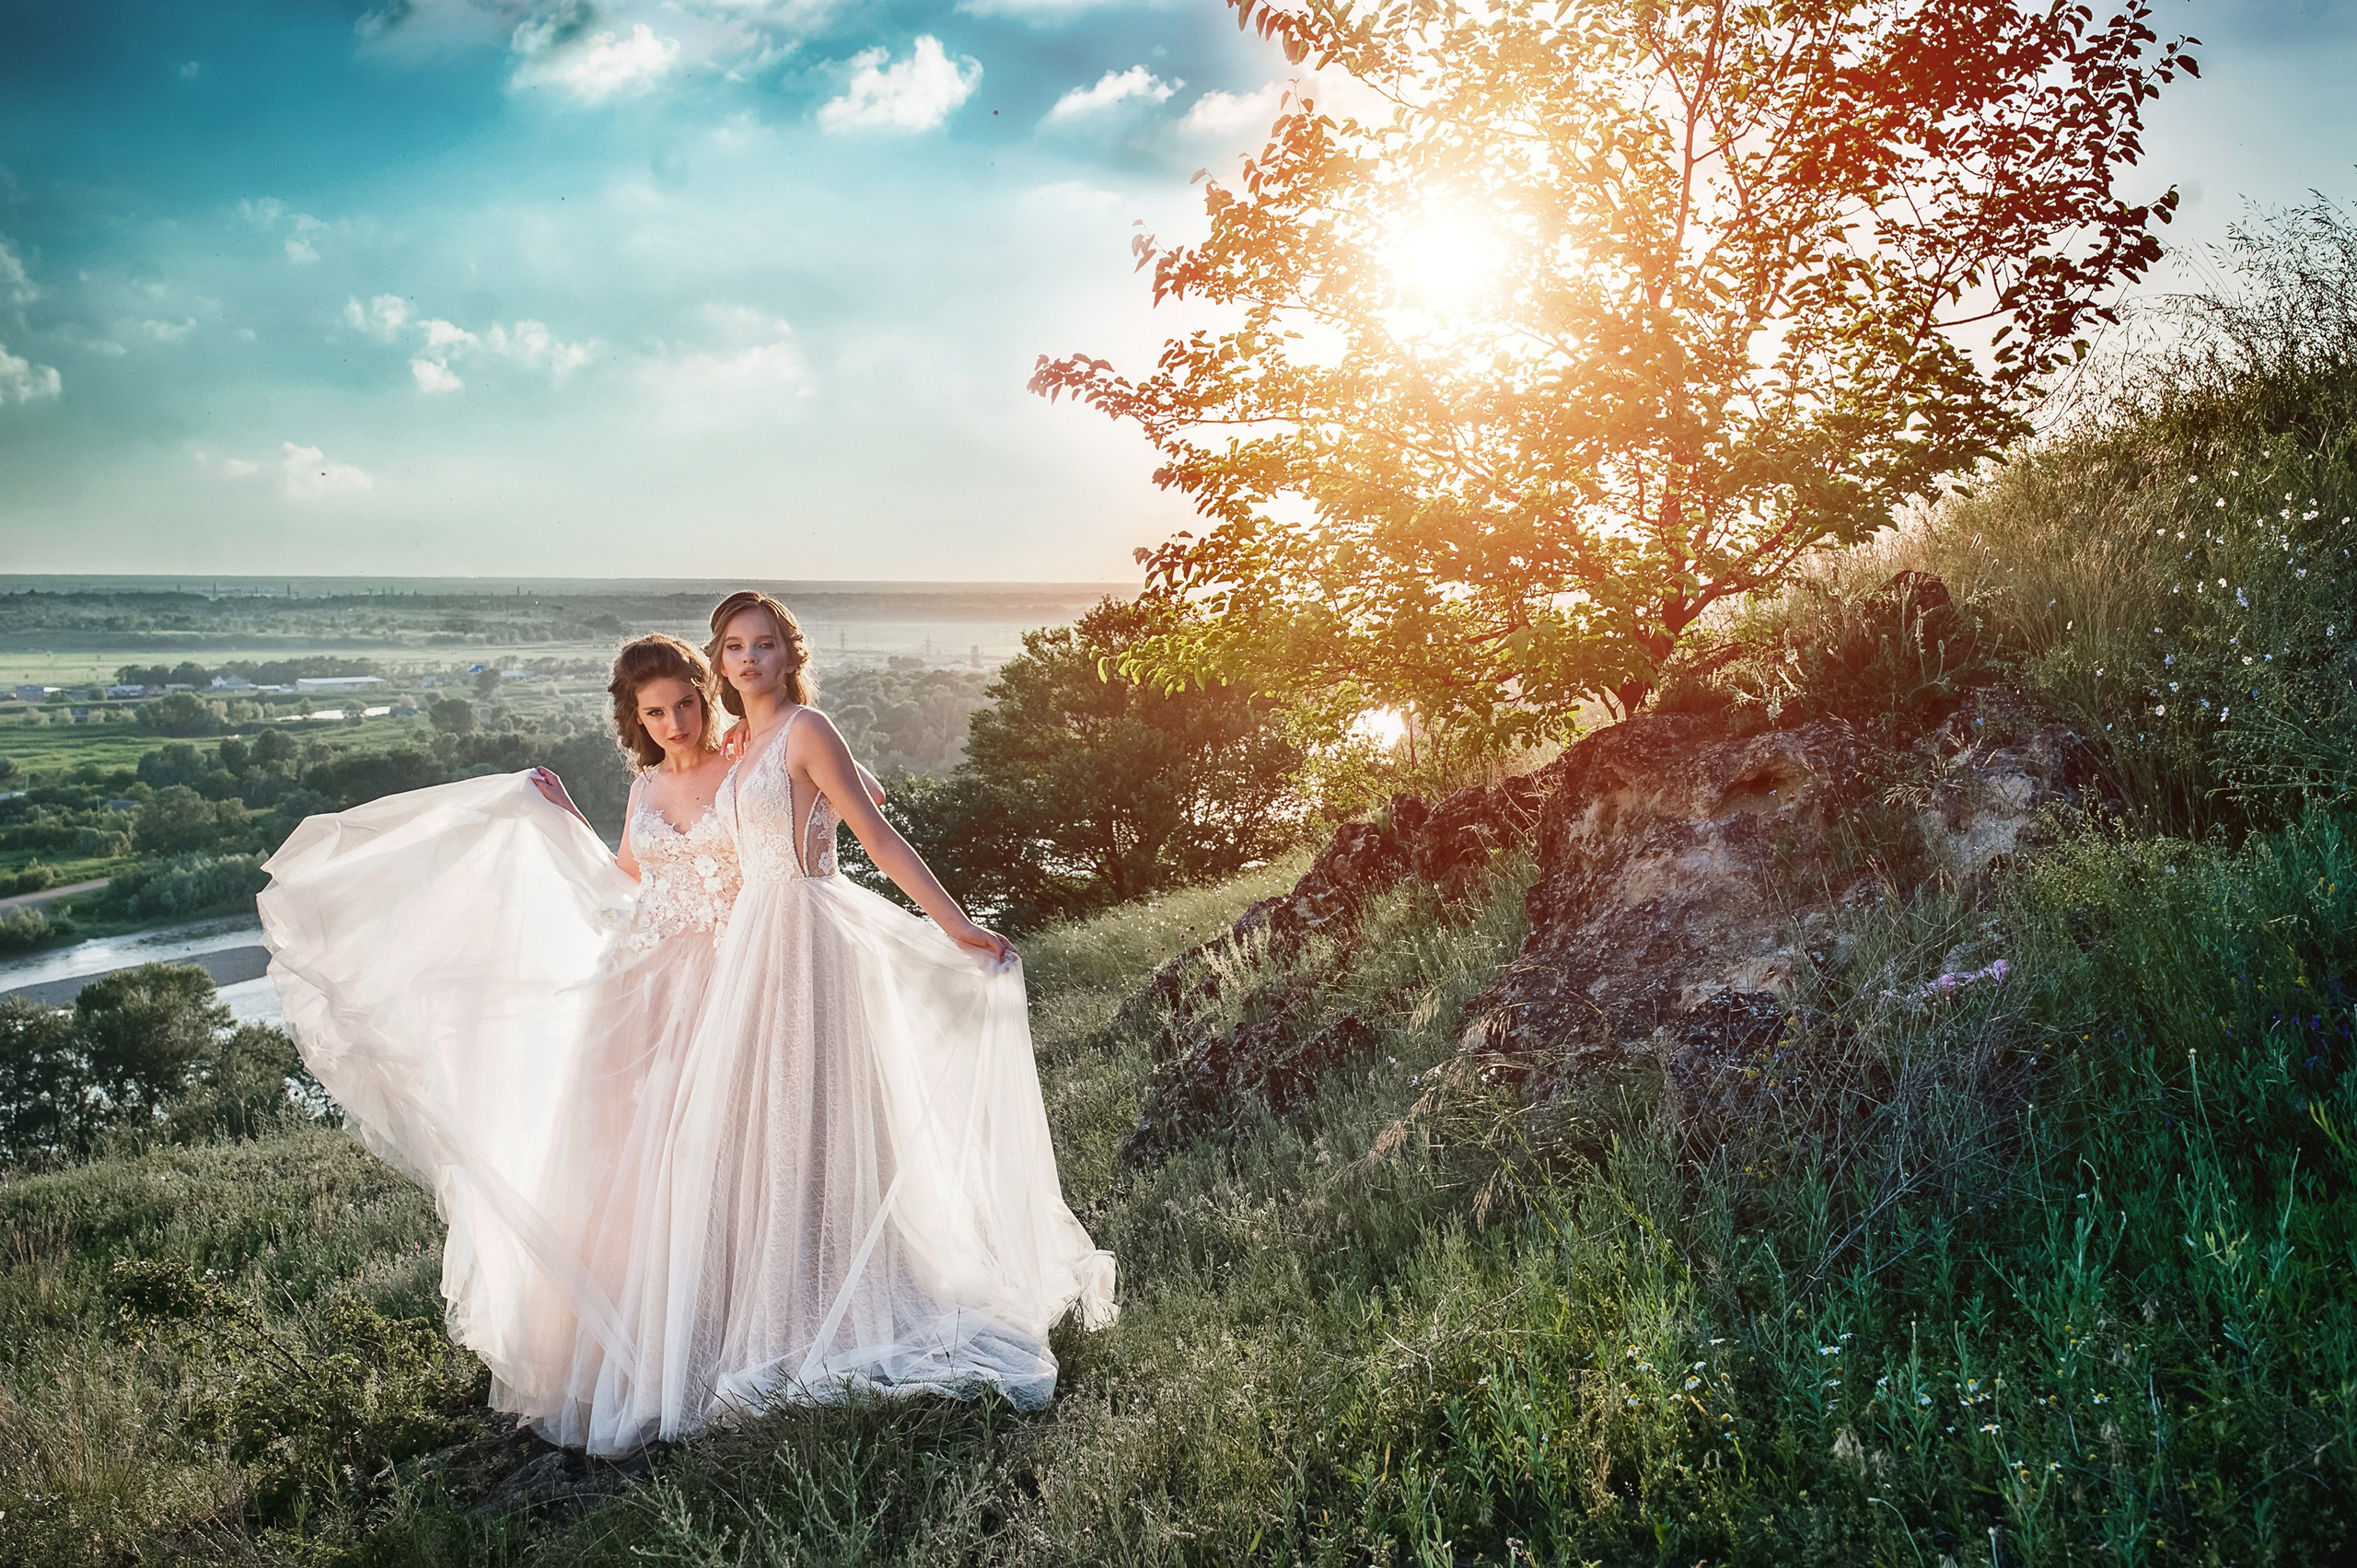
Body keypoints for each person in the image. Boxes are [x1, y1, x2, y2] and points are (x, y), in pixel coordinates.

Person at [619, 590, 1113, 1440]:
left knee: (821, 1116)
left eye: (764, 644)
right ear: (720, 661)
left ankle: (850, 1300)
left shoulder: (806, 729)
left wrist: (956, 926)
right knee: (768, 1130)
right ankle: (778, 1298)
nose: (747, 659)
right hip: (751, 950)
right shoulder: (741, 745)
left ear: (788, 653)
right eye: (733, 646)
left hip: (807, 936)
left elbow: (876, 838)